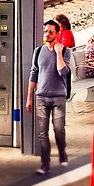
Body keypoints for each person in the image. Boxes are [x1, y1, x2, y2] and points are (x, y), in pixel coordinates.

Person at [27, 20, 74, 175]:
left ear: (57, 33)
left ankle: (62, 151)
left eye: (51, 32)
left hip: (58, 97)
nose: (47, 34)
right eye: (45, 31)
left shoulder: (66, 51)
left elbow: (62, 71)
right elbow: (33, 74)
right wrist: (29, 98)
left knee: (59, 129)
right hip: (41, 96)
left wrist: (58, 52)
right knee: (42, 133)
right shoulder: (38, 51)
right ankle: (45, 164)